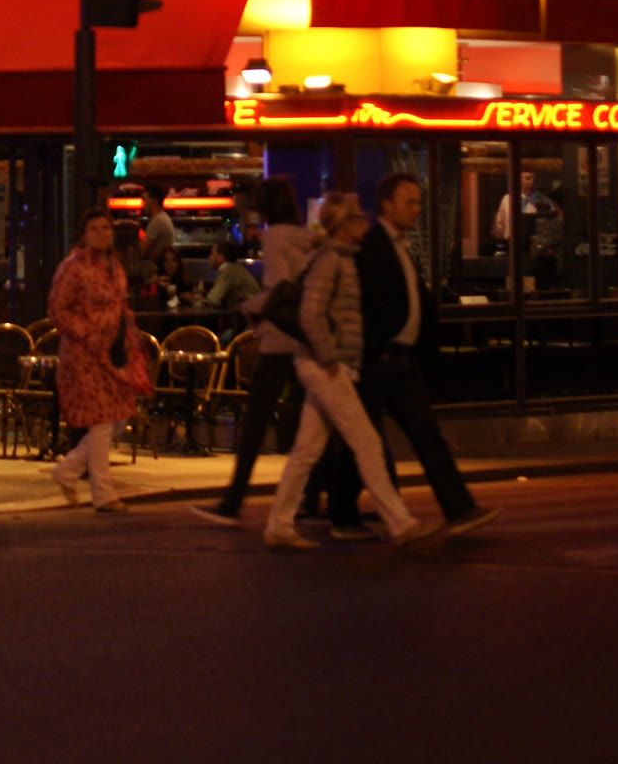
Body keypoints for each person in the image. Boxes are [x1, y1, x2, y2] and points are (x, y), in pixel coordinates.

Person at [262, 192, 441, 551]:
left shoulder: (338, 257)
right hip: (326, 365)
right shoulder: (332, 259)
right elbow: (311, 313)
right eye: (358, 217)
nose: (364, 223)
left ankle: (279, 524)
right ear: (343, 225)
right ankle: (400, 522)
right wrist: (330, 356)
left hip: (323, 363)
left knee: (307, 450)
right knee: (367, 442)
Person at [344, 172, 499, 537]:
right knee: (366, 442)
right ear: (387, 205)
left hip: (402, 358)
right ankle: (346, 513)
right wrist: (373, 349)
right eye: (409, 202)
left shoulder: (399, 246)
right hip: (379, 358)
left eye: (418, 202)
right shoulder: (372, 246)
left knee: (423, 435)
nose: (416, 209)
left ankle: (458, 508)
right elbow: (367, 304)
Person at [190, 176, 311, 526]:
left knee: (255, 422)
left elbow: (278, 289)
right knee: (316, 421)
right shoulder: (305, 237)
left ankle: (233, 500)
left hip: (278, 339)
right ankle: (319, 498)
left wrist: (250, 306)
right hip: (305, 337)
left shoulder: (275, 237)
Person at [47, 206, 150, 512]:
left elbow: (118, 305)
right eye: (94, 229)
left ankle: (68, 470)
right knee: (103, 420)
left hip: (114, 350)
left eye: (105, 228)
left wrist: (129, 334)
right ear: (83, 234)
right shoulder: (73, 267)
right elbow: (57, 309)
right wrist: (87, 333)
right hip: (85, 353)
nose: (101, 234)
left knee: (118, 416)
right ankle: (103, 493)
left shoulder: (114, 265)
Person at [205, 237, 262, 315]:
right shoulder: (234, 269)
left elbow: (212, 299)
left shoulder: (228, 271)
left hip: (250, 319)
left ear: (221, 257)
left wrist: (199, 301)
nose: (209, 257)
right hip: (254, 316)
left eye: (212, 254)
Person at [140, 184, 176, 269]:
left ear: (154, 201)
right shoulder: (162, 218)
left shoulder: (158, 221)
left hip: (159, 270)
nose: (142, 204)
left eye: (144, 200)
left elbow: (141, 252)